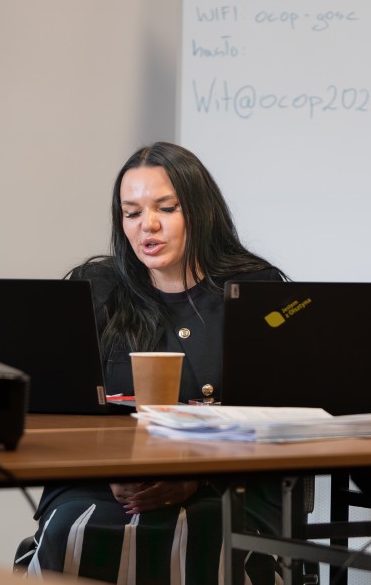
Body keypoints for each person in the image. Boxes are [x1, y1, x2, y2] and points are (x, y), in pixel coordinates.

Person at [22, 142, 285, 585]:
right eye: (132, 213)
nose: (148, 224)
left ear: (201, 211)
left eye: (166, 208)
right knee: (76, 530)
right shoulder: (96, 288)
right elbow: (58, 407)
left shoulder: (256, 289)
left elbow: (280, 416)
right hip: (96, 482)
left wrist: (196, 477)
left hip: (226, 485)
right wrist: (109, 470)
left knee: (203, 533)